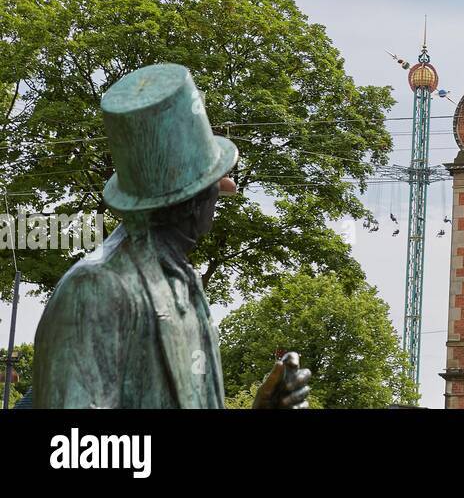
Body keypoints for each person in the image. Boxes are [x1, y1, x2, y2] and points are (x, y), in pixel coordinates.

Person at [32, 63, 310, 408]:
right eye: (214, 180)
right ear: (195, 199)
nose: (220, 193)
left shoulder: (180, 279)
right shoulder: (99, 287)